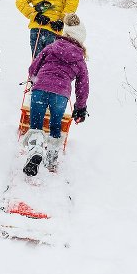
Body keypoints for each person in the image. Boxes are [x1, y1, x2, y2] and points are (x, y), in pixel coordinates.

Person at [23, 13, 89, 176]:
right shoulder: (80, 59)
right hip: (60, 94)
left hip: (40, 89)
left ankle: (36, 151)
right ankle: (51, 160)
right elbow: (83, 85)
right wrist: (80, 107)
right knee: (55, 125)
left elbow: (34, 67)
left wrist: (33, 79)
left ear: (65, 33)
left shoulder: (51, 47)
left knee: (36, 125)